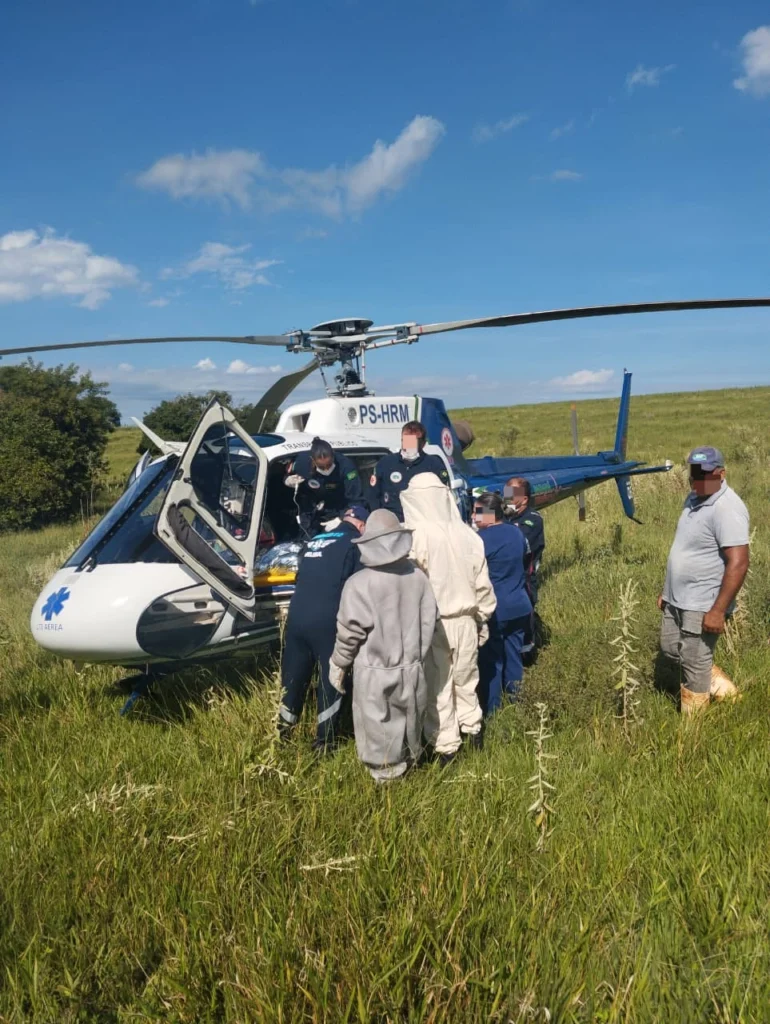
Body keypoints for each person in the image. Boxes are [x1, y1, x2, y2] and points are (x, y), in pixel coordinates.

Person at [328, 510, 438, 782]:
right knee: (411, 726)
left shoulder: (359, 584)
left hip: (375, 671)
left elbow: (349, 633)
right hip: (413, 667)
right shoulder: (419, 577)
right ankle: (410, 778)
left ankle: (389, 795)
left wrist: (339, 663)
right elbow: (431, 621)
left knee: (378, 734)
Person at [401, 474, 497, 762]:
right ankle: (473, 730)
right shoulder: (468, 534)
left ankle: (446, 748)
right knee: (467, 679)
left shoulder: (415, 537)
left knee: (439, 686)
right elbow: (483, 584)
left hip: (435, 623)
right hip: (467, 619)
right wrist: (482, 618)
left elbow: (411, 588)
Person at [658, 446, 749, 715]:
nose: (696, 481)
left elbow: (739, 562)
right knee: (670, 649)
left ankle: (693, 730)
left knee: (694, 661)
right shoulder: (694, 496)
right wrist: (666, 591)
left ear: (721, 473)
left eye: (704, 475)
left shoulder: (727, 508)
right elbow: (682, 547)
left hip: (704, 602)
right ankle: (716, 682)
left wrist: (718, 610)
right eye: (693, 475)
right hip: (677, 597)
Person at [278, 505, 369, 750]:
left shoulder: (316, 539)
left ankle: (282, 734)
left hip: (297, 616)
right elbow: (361, 584)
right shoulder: (355, 543)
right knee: (332, 676)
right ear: (361, 524)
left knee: (293, 675)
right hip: (327, 618)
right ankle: (324, 741)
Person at [473, 491, 533, 715]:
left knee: (492, 663)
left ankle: (494, 712)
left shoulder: (480, 540)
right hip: (520, 605)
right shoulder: (516, 532)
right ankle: (517, 706)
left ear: (489, 513)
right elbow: (527, 561)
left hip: (496, 610)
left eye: (477, 511)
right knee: (514, 658)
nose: (473, 515)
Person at [368, 421, 450, 521]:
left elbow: (441, 497)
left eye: (414, 441)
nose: (409, 445)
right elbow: (373, 496)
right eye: (407, 440)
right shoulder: (386, 463)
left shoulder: (433, 465)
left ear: (423, 444)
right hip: (392, 523)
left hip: (423, 522)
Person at [287, 437, 364, 538]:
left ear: (333, 455)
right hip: (312, 509)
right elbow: (287, 470)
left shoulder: (346, 467)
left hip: (338, 508)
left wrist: (342, 519)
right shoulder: (302, 463)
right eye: (321, 466)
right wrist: (287, 480)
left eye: (329, 464)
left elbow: (356, 500)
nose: (326, 469)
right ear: (312, 460)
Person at [503, 476, 545, 658]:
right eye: (505, 493)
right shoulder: (501, 515)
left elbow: (519, 547)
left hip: (524, 579)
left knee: (524, 619)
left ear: (525, 499)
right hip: (501, 578)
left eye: (512, 494)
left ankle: (527, 654)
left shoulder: (533, 520)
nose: (507, 498)